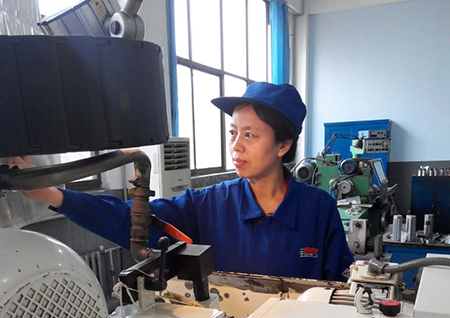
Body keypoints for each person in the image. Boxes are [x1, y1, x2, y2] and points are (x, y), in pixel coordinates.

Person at [10, 82, 353, 281]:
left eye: (250, 135)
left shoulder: (317, 209)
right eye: (233, 132)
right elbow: (132, 219)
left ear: (283, 145)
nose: (236, 146)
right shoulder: (210, 204)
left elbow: (339, 287)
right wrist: (55, 195)